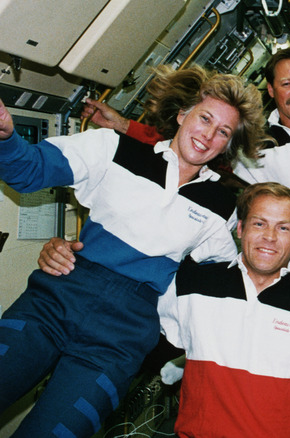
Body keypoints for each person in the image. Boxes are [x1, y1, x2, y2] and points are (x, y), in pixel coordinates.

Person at [0, 65, 268, 437]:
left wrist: (176, 344)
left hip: (121, 338)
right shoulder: (112, 148)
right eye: (205, 118)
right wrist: (7, 136)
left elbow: (218, 286)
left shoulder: (220, 207)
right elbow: (29, 170)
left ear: (228, 145)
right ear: (181, 114)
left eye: (223, 131)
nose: (209, 135)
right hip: (55, 300)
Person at [82, 48, 290, 213]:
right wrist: (123, 125)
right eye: (286, 84)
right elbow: (185, 145)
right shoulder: (253, 141)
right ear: (272, 90)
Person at [157, 182, 290, 437]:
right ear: (240, 228)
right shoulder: (190, 284)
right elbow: (160, 342)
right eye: (259, 223)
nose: (269, 237)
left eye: (283, 227)